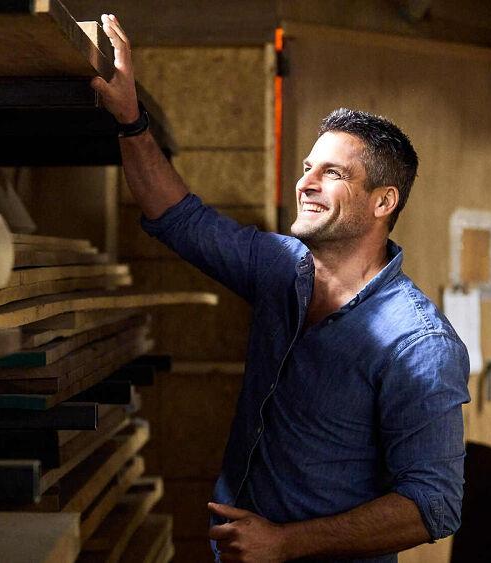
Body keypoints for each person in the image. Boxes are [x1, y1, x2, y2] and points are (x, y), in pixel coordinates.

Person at [90, 14, 471, 563]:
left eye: (333, 174)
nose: (306, 183)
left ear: (383, 202)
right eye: (307, 166)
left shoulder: (419, 345)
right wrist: (129, 118)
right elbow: (177, 216)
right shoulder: (280, 268)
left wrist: (286, 543)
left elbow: (433, 505)